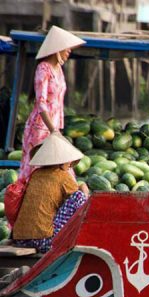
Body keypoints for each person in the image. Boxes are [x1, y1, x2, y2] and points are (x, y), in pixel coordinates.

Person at [19, 26, 85, 181]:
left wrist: (57, 129)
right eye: (66, 48)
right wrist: (53, 130)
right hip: (40, 129)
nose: (69, 51)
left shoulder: (59, 70)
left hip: (53, 128)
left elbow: (59, 104)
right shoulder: (43, 69)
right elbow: (41, 104)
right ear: (57, 49)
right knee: (33, 172)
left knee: (64, 169)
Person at [12, 133, 89, 253]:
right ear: (60, 161)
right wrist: (84, 188)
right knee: (79, 196)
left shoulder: (35, 174)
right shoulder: (63, 176)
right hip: (44, 240)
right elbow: (79, 201)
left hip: (21, 239)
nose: (70, 164)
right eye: (68, 160)